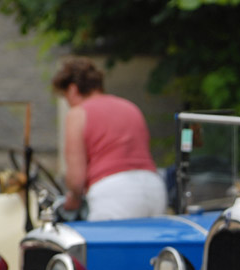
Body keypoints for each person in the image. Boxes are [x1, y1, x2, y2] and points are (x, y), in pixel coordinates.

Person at [51, 57, 167, 220]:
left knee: (107, 244)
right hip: (154, 188)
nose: (68, 102)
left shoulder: (78, 114)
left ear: (72, 89)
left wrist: (73, 200)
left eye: (65, 96)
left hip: (114, 193)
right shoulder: (130, 106)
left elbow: (76, 180)